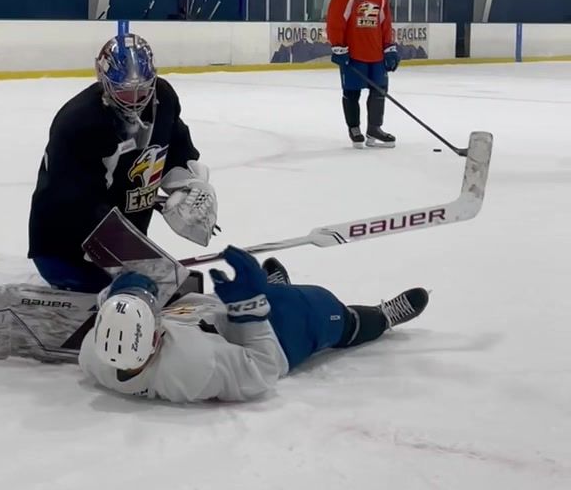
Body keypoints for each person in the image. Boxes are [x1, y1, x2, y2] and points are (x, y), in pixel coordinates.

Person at [78, 246, 428, 403]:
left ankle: (276, 289)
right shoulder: (191, 369)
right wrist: (249, 312)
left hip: (208, 315)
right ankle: (379, 318)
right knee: (322, 306)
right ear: (154, 340)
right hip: (273, 339)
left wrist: (126, 290)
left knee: (275, 294)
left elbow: (108, 309)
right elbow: (261, 372)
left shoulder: (94, 354)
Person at [28, 23, 217, 293]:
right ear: (104, 82)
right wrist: (138, 263)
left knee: (166, 298)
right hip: (65, 250)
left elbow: (175, 148)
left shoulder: (163, 98)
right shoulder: (79, 123)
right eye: (124, 90)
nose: (136, 100)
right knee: (146, 304)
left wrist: (188, 186)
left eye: (143, 88)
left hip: (122, 241)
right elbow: (75, 208)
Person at [326, 0, 398, 148]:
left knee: (379, 91)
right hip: (354, 54)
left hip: (376, 55)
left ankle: (374, 128)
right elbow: (335, 22)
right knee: (352, 91)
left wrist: (389, 47)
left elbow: (385, 24)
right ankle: (354, 128)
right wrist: (338, 47)